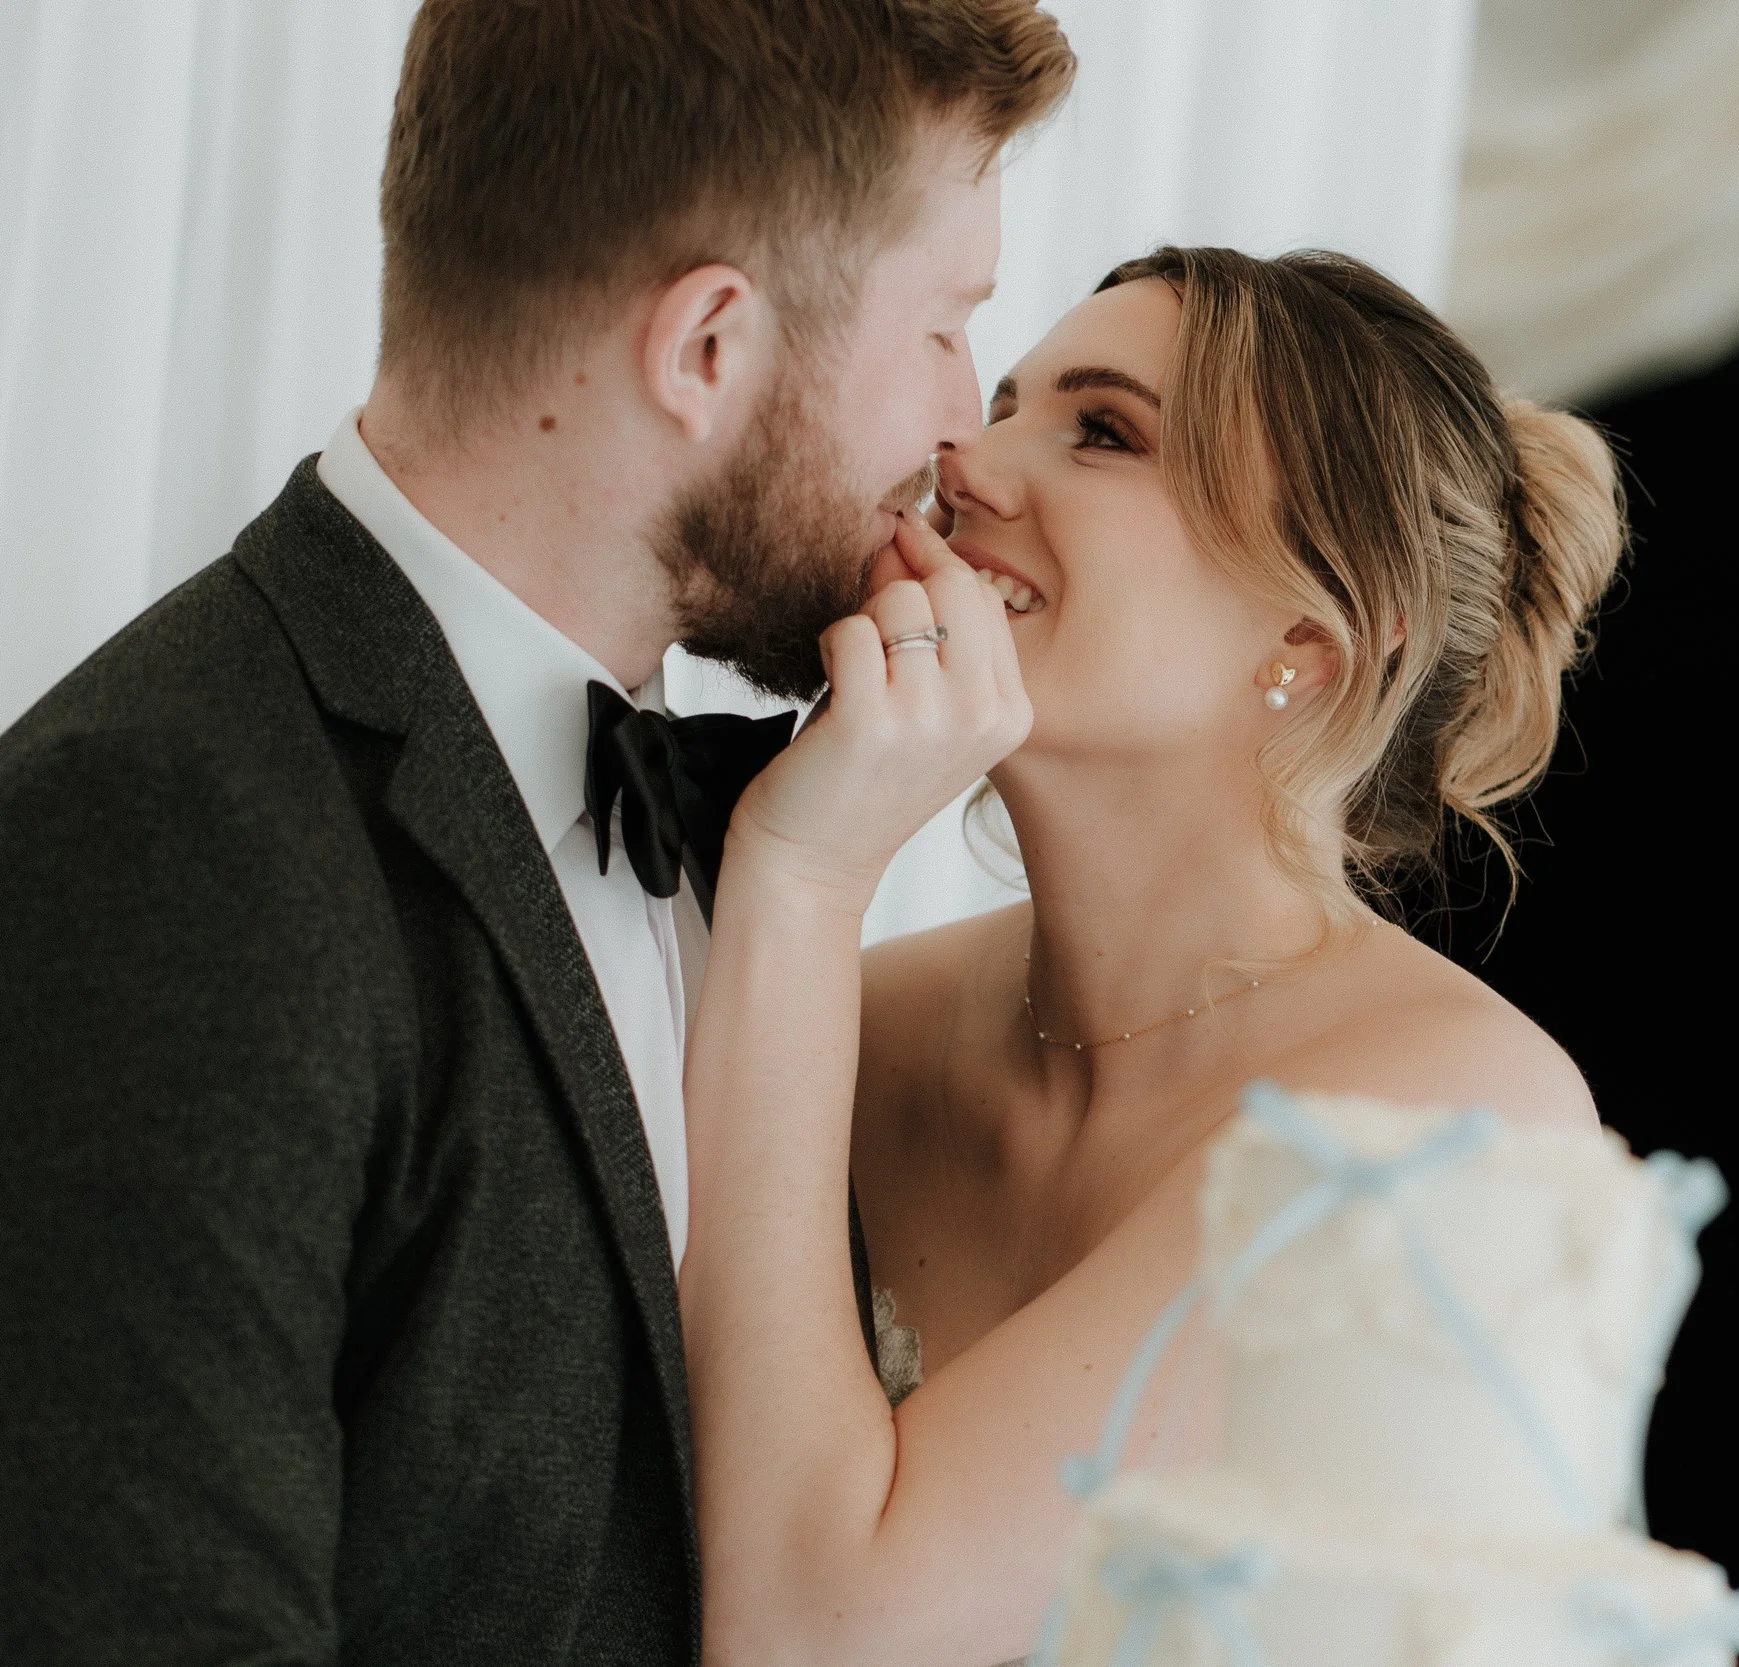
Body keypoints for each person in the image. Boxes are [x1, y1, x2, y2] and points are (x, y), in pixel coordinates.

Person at [0, 4, 1071, 1661]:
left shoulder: (770, 834)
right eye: (949, 325)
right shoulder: (160, 835)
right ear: (708, 345)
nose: (958, 431)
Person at [682, 245, 1630, 1665]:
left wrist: (807, 874)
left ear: (1309, 643)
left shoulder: (1442, 1117)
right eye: (1000, 403)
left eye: (1103, 432)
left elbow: (814, 1628)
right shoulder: (851, 1027)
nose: (968, 460)